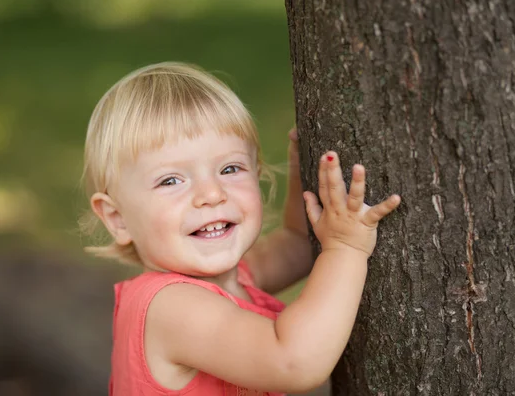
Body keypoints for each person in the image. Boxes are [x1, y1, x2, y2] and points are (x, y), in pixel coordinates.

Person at [81, 62, 401, 395]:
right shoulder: (170, 308)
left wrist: (302, 165)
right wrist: (346, 249)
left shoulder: (236, 279)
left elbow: (297, 244)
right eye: (171, 180)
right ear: (117, 218)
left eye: (230, 168)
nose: (211, 194)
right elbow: (293, 362)